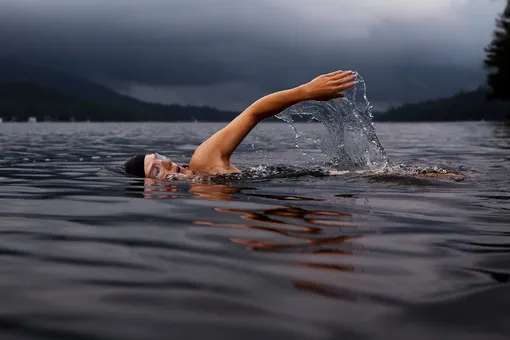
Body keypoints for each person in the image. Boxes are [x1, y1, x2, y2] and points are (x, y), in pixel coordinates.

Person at [124, 70, 357, 180]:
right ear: (151, 189)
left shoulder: (203, 161)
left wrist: (305, 92)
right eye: (156, 169)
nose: (165, 161)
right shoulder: (201, 192)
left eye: (159, 156)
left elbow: (253, 112)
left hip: (338, 179)